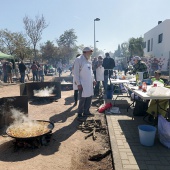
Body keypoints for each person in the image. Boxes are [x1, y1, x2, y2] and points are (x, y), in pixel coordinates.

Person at [73, 47, 95, 118]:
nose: (91, 53)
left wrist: (93, 79)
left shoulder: (89, 60)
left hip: (89, 83)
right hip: (82, 83)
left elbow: (91, 72)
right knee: (82, 99)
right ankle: (80, 113)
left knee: (89, 97)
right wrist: (78, 84)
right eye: (90, 52)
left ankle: (86, 112)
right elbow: (76, 73)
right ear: (85, 52)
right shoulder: (78, 59)